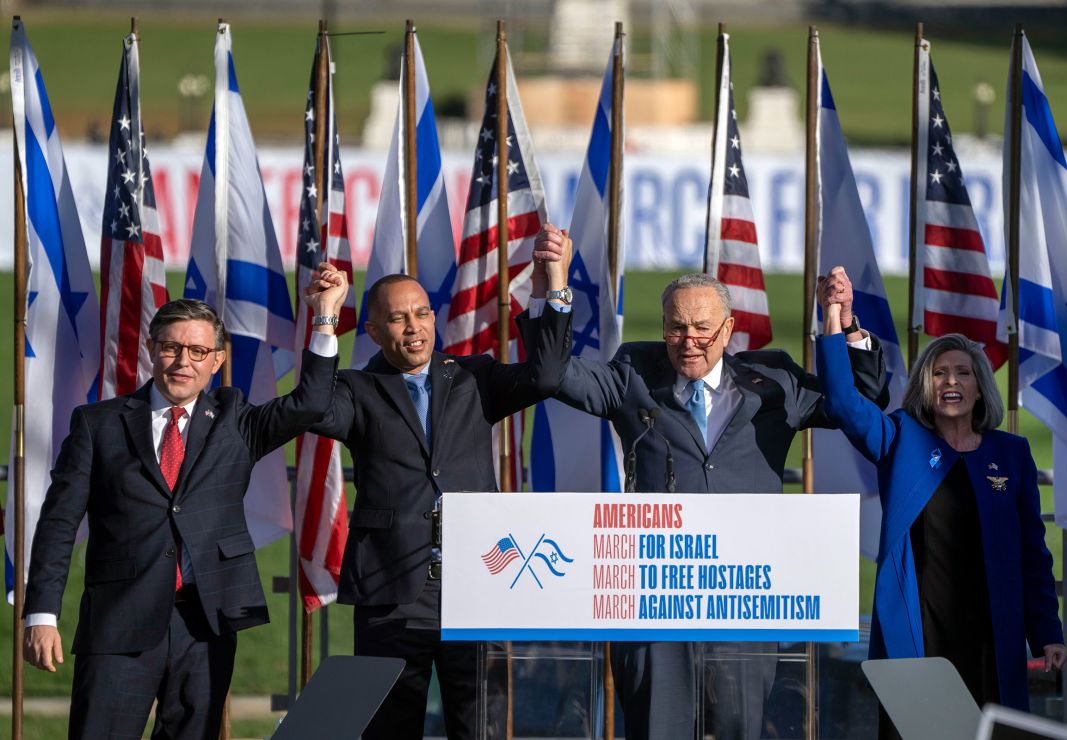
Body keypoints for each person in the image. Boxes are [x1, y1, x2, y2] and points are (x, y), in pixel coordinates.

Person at [528, 225, 890, 739]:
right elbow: (549, 376)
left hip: (745, 603)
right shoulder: (634, 372)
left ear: (729, 328)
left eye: (701, 327)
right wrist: (555, 283)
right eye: (675, 327)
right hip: (654, 607)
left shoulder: (776, 381)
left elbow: (867, 402)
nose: (687, 340)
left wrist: (845, 324)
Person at [22, 267, 348, 740]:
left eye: (197, 351)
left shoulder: (236, 421)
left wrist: (324, 317)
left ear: (216, 361)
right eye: (172, 347)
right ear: (153, 350)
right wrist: (42, 615)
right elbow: (58, 523)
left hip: (207, 625)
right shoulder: (99, 424)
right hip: (119, 624)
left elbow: (312, 403)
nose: (182, 361)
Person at [310, 248, 573, 740]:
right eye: (397, 318)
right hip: (392, 590)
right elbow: (311, 408)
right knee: (390, 729)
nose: (413, 327)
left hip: (477, 581)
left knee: (481, 727)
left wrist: (550, 289)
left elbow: (548, 376)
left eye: (422, 314)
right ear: (373, 331)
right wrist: (326, 318)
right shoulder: (356, 389)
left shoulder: (474, 375)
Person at [816, 294, 1067, 725]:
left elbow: (1033, 553)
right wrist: (834, 321)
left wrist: (1047, 633)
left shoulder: (1012, 453)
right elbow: (842, 403)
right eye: (939, 372)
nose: (951, 381)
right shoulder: (899, 438)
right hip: (920, 629)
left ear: (978, 386)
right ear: (925, 386)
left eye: (962, 373)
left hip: (993, 634)